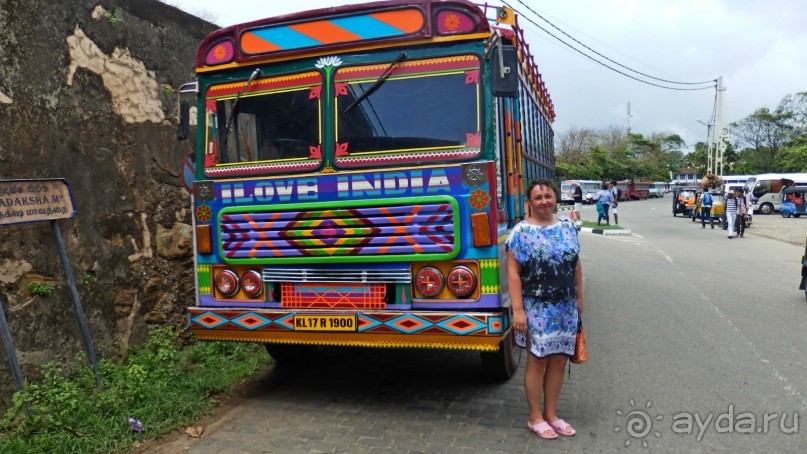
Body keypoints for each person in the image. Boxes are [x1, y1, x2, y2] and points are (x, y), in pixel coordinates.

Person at [506, 179, 582, 440]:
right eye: (538, 197)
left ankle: (551, 414)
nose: (544, 201)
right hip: (537, 308)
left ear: (555, 198)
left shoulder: (569, 227)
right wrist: (518, 310)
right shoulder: (520, 233)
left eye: (548, 196)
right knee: (537, 361)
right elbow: (513, 274)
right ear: (530, 202)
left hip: (565, 307)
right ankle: (534, 416)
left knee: (559, 360)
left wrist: (579, 302)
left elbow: (576, 266)